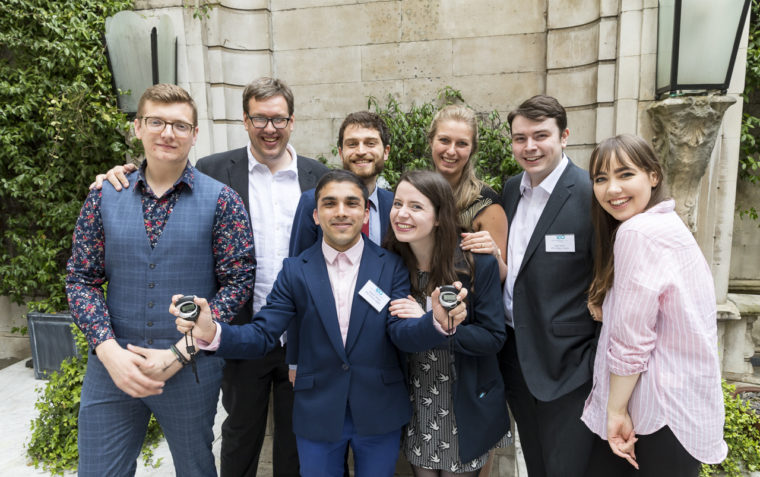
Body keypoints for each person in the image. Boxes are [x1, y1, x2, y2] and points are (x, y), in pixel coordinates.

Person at [91, 77, 328, 477]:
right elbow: (163, 174)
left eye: (279, 118)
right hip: (236, 332)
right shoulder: (214, 169)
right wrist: (117, 176)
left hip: (301, 333)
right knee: (239, 432)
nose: (270, 127)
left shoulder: (319, 176)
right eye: (259, 118)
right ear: (245, 120)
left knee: (296, 436)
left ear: (292, 121)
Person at [175, 170, 469, 477]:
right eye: (330, 203)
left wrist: (435, 322)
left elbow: (400, 332)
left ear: (365, 212)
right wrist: (211, 332)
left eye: (351, 203)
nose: (341, 212)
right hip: (317, 410)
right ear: (316, 215)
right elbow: (263, 334)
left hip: (379, 409)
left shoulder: (391, 264)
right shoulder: (294, 271)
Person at [66, 83, 255, 477]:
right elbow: (81, 279)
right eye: (156, 122)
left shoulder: (222, 200)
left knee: (196, 470)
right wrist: (107, 350)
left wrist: (181, 352)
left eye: (180, 126)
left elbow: (238, 284)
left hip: (191, 370)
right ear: (138, 127)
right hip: (112, 369)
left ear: (194, 134)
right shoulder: (104, 196)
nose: (168, 133)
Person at [580, 134, 726, 476]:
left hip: (656, 411)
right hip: (683, 408)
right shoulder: (667, 224)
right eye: (601, 179)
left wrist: (614, 411)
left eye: (625, 174)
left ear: (653, 176)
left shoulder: (637, 232)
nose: (612, 188)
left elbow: (632, 342)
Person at [384, 170, 511, 476]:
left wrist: (437, 327)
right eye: (398, 203)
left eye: (416, 207)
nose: (402, 213)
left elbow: (493, 337)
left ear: (440, 217)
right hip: (416, 402)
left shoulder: (476, 261)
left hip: (463, 402)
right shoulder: (391, 263)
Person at [498, 95, 599, 476]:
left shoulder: (590, 194)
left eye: (540, 135)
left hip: (569, 366)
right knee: (536, 464)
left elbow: (606, 279)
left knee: (567, 468)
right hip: (516, 357)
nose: (529, 147)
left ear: (565, 136)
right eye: (520, 138)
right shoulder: (510, 190)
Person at [289, 111, 394, 256]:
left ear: (386, 151)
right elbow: (298, 267)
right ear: (340, 152)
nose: (361, 151)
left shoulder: (394, 205)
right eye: (352, 144)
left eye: (370, 143)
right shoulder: (311, 202)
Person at [425, 105, 508, 281]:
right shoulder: (416, 194)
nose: (451, 151)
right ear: (431, 141)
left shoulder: (486, 204)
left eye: (462, 143)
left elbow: (500, 276)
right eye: (444, 140)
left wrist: (495, 254)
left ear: (472, 150)